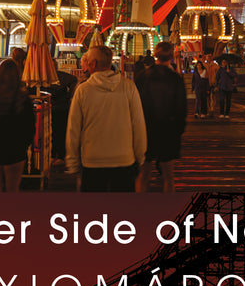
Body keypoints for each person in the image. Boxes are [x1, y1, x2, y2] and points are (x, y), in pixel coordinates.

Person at [65, 45, 146, 191]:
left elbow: (74, 129)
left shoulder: (83, 91)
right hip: (124, 160)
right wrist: (140, 157)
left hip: (92, 161)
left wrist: (73, 163)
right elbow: (138, 125)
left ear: (93, 64)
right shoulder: (128, 87)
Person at [136, 41, 187, 191]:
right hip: (168, 129)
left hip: (146, 129)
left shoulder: (142, 76)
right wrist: (179, 129)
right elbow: (181, 107)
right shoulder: (175, 78)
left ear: (155, 54)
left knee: (143, 175)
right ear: (171, 56)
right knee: (168, 176)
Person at [0, 59, 36, 192]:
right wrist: (24, 145)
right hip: (15, 150)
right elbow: (30, 127)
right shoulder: (23, 99)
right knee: (12, 189)